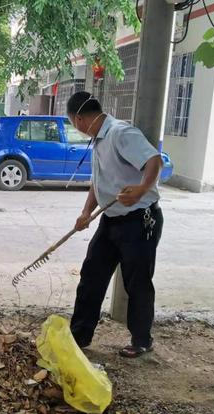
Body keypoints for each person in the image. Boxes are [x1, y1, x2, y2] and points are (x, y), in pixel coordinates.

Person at [67, 91, 164, 358]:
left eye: (73, 123)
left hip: (139, 220)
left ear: (78, 119)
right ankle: (79, 335)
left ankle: (142, 340)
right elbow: (99, 183)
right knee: (91, 276)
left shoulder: (121, 133)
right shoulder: (99, 141)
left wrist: (142, 189)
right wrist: (86, 212)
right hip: (111, 220)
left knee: (138, 282)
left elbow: (154, 160)